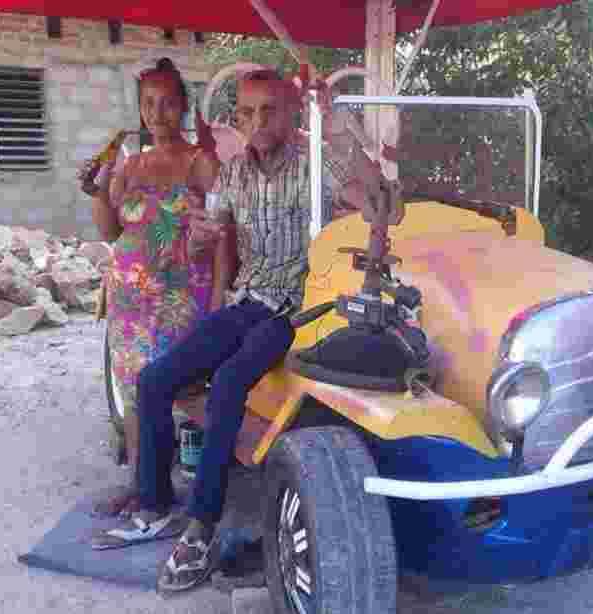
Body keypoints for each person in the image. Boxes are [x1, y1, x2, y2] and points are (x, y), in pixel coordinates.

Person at [128, 68, 398, 592]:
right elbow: (209, 231)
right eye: (247, 113)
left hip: (297, 310)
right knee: (154, 381)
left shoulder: (313, 167)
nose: (256, 122)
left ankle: (202, 527)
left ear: (292, 113)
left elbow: (381, 201)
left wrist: (338, 123)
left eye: (268, 110)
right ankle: (158, 503)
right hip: (248, 299)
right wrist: (202, 234)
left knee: (229, 382)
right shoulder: (233, 174)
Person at [78, 58, 231, 528]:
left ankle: (200, 483)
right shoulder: (129, 164)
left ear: (183, 106)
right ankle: (142, 484)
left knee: (179, 388)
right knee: (131, 390)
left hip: (184, 295)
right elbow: (110, 230)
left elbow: (225, 232)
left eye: (167, 102)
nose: (157, 112)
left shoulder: (200, 162)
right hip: (129, 298)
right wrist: (97, 192)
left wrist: (221, 296)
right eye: (148, 103)